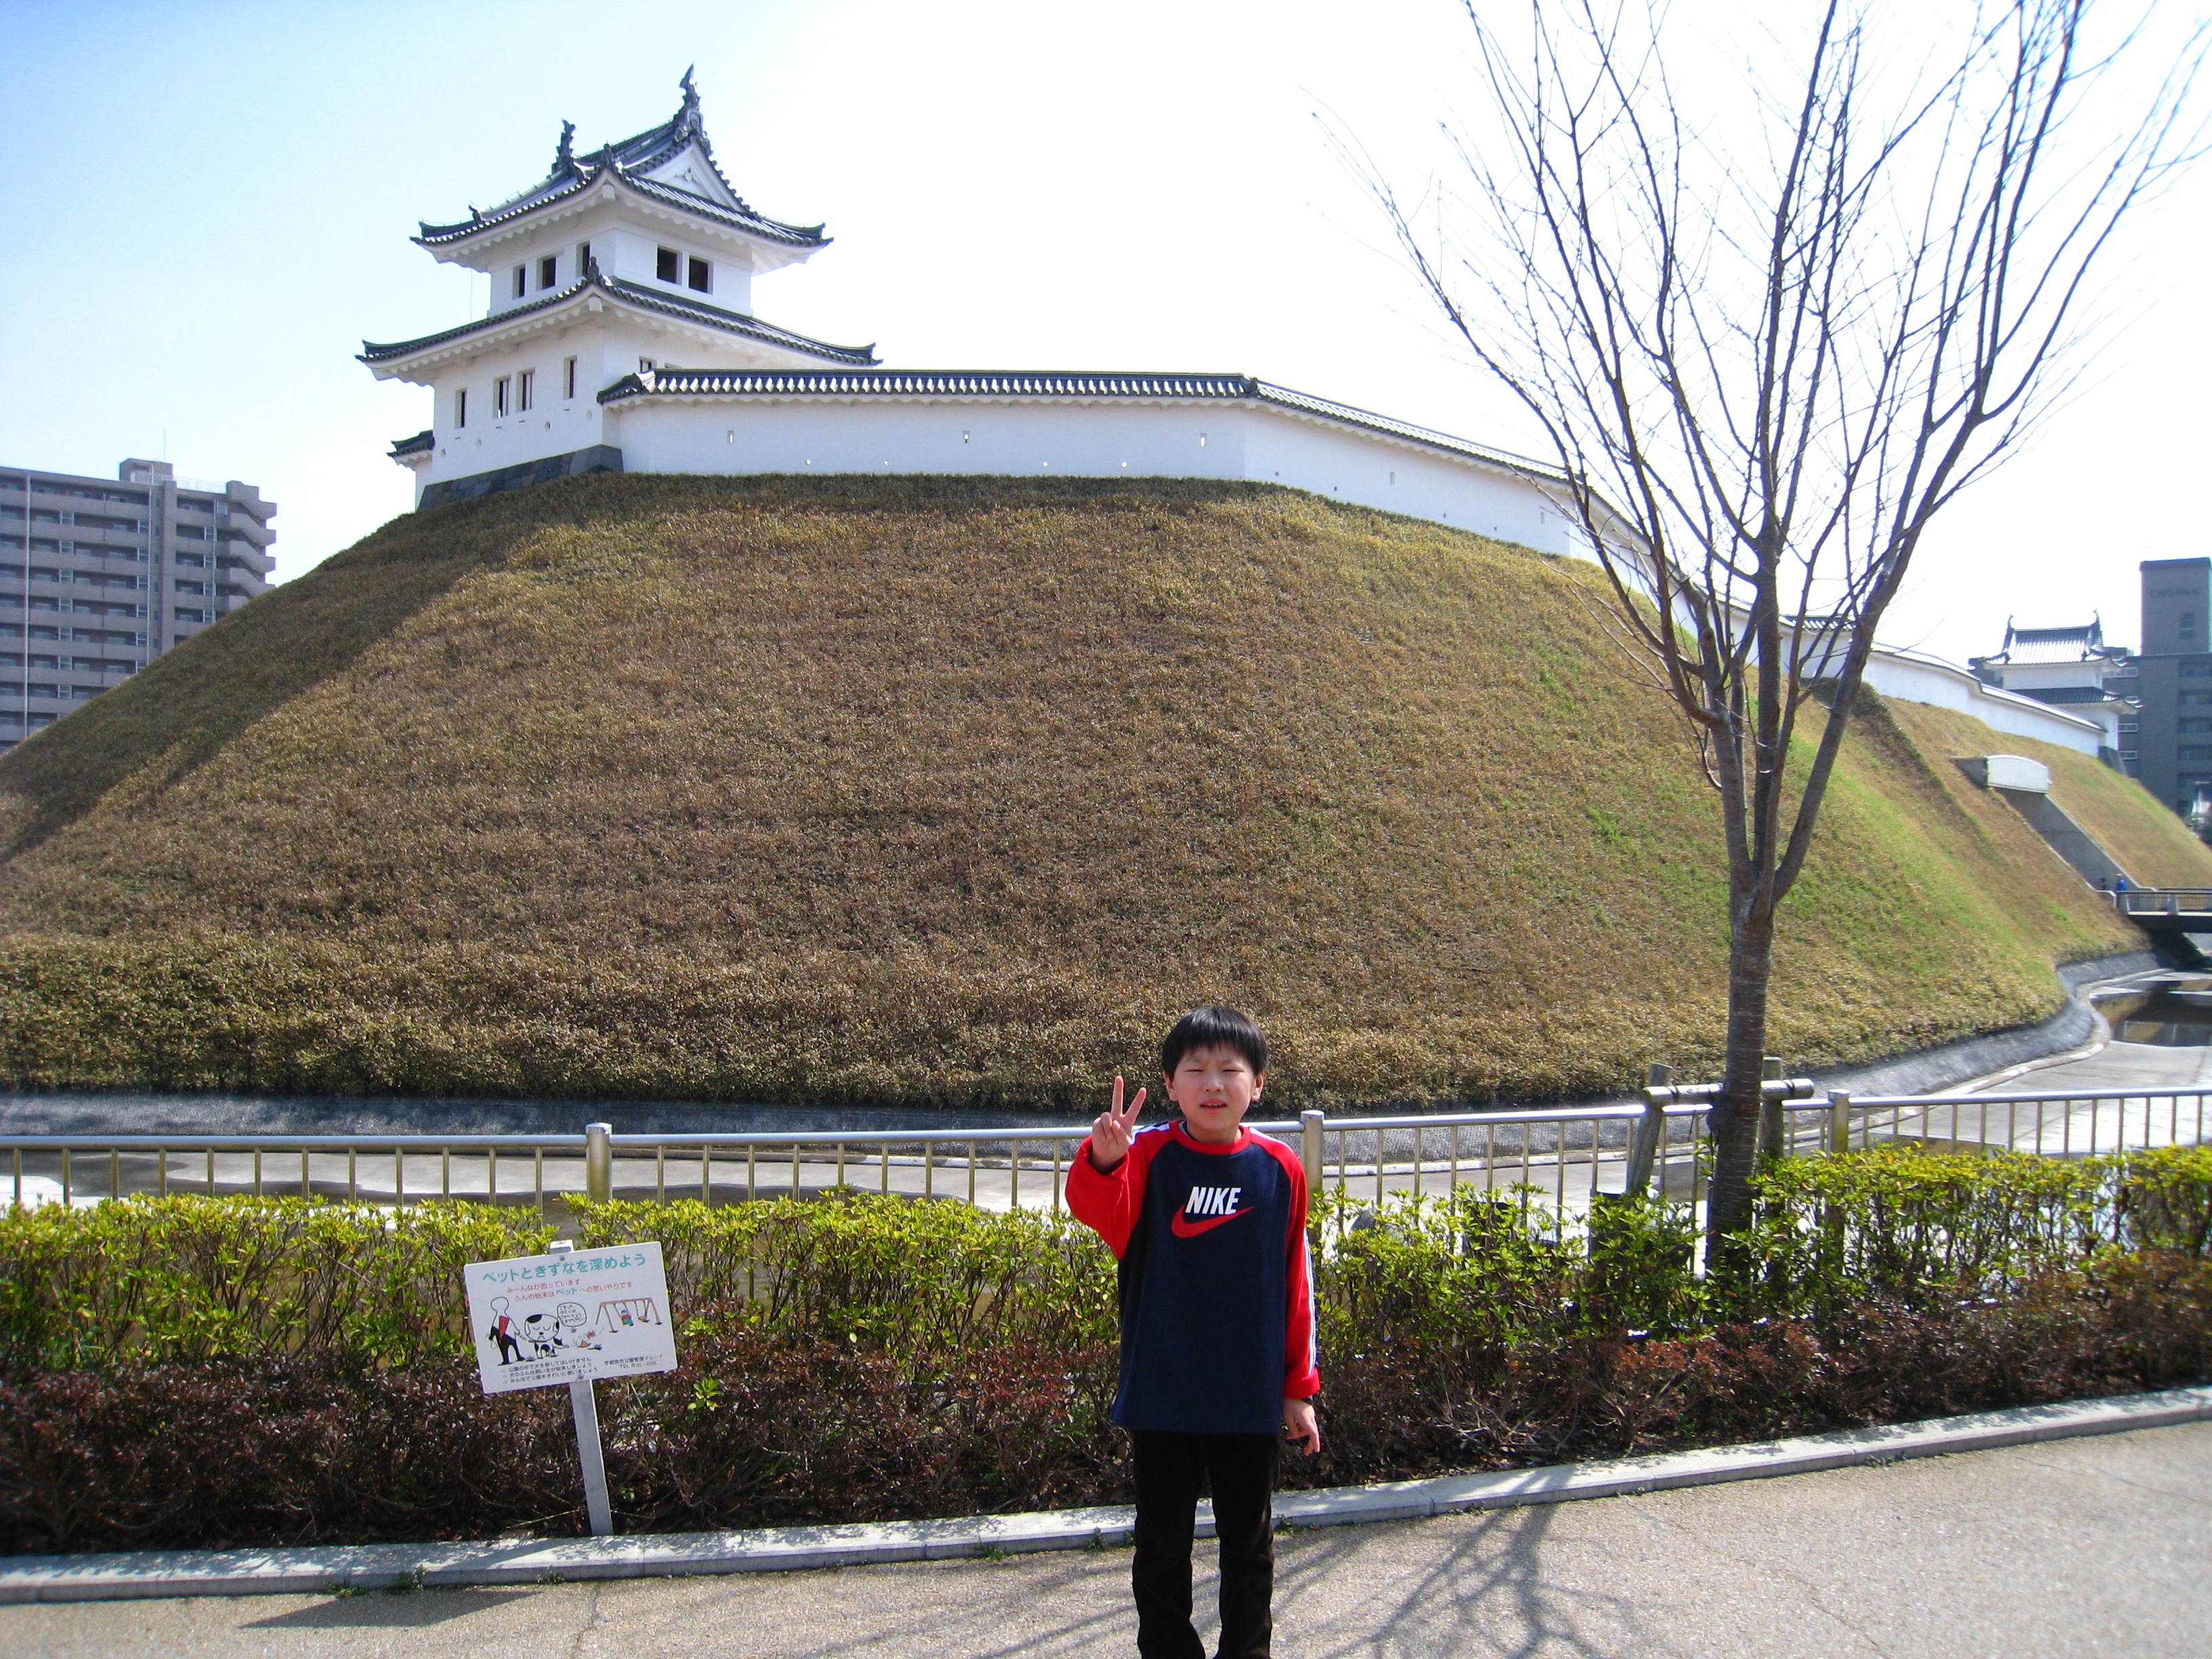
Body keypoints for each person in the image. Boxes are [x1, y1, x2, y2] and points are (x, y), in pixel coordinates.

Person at [1065, 1006, 1319, 1659]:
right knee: (1162, 1549)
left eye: (1230, 1070)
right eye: (1196, 1069)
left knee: (1249, 1547)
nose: (1213, 1083)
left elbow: (1295, 1284)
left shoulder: (1279, 1167)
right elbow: (1100, 1213)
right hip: (1165, 1393)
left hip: (1249, 1397)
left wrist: (1298, 1390)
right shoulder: (1145, 1155)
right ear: (1171, 1084)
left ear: (1257, 1085)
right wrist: (1103, 1158)